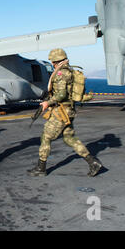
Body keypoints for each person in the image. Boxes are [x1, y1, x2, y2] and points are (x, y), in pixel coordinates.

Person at [28, 48, 102, 177]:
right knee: (69, 138)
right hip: (69, 110)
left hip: (61, 112)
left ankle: (41, 168)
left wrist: (47, 103)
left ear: (56, 61)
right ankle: (93, 162)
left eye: (52, 61)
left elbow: (61, 94)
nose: (52, 64)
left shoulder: (61, 73)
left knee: (46, 137)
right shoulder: (70, 71)